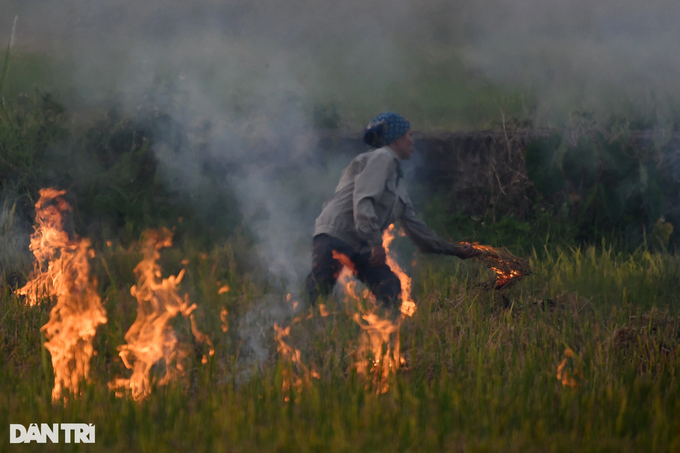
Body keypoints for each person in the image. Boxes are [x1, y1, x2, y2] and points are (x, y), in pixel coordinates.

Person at [306, 112, 479, 308]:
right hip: (336, 235)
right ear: (396, 139)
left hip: (359, 244)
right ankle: (302, 327)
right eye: (409, 136)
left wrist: (454, 250)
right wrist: (376, 243)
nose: (412, 142)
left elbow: (417, 230)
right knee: (319, 289)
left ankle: (387, 335)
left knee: (389, 286)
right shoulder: (383, 157)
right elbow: (363, 201)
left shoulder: (398, 185)